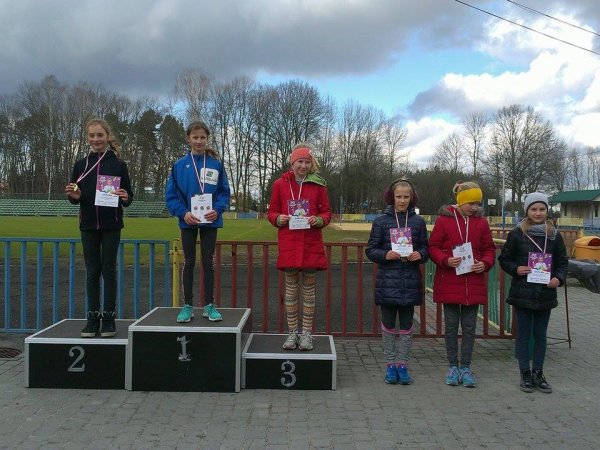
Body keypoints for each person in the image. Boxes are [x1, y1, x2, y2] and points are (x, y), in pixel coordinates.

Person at [65, 118, 133, 338]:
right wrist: (74, 196)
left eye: (100, 135)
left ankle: (109, 318)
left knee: (108, 270)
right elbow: (74, 195)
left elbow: (128, 197)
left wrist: (125, 197)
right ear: (87, 138)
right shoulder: (80, 165)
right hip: (88, 225)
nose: (96, 139)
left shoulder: (119, 164)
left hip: (111, 225)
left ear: (107, 137)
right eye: (92, 135)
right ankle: (92, 318)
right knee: (92, 272)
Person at [498, 192, 568, 394]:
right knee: (523, 334)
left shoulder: (554, 235)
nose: (538, 213)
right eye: (534, 209)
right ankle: (525, 373)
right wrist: (516, 269)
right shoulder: (517, 233)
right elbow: (504, 259)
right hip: (523, 292)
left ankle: (538, 372)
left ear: (547, 210)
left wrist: (559, 278)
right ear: (527, 211)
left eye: (542, 209)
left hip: (545, 293)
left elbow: (562, 262)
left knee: (540, 334)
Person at [428, 181, 496, 387]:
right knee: (450, 327)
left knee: (469, 328)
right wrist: (445, 260)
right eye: (471, 203)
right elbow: (433, 247)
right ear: (460, 201)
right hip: (450, 281)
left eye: (478, 204)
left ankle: (465, 367)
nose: (475, 208)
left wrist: (485, 263)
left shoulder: (481, 223)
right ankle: (453, 366)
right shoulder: (443, 221)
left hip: (473, 282)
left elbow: (489, 249)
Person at [267, 144, 332, 351]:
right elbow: (272, 212)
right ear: (292, 162)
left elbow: (327, 212)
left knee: (309, 292)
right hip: (289, 243)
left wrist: (318, 220)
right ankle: (292, 333)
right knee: (291, 292)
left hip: (311, 243)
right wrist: (278, 218)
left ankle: (306, 334)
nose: (303, 166)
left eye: (307, 162)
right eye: (300, 162)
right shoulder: (280, 184)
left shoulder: (318, 185)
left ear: (312, 164)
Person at [166, 121, 231, 323]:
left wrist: (217, 210)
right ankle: (187, 305)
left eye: (203, 137)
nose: (199, 141)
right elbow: (171, 196)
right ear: (188, 139)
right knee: (189, 261)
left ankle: (209, 305)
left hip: (210, 220)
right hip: (188, 220)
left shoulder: (216, 164)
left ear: (207, 139)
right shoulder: (179, 165)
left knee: (208, 261)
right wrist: (183, 213)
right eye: (195, 137)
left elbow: (224, 193)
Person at [366, 178, 428, 385]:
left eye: (406, 197)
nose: (402, 200)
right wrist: (385, 255)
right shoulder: (381, 221)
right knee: (388, 325)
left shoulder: (418, 222)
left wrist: (420, 254)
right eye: (398, 196)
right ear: (391, 197)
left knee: (407, 326)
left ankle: (403, 364)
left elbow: (426, 248)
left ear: (412, 198)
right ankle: (390, 364)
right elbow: (371, 250)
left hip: (410, 281)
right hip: (388, 282)